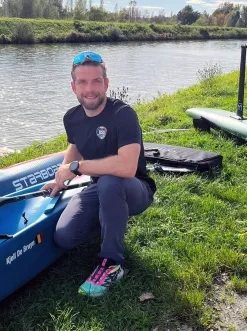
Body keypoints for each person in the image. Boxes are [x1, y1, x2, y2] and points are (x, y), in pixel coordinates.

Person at [41, 51, 156, 297]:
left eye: (96, 81)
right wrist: (60, 178)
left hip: (134, 188)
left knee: (111, 182)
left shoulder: (123, 114)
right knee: (65, 237)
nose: (89, 88)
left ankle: (111, 264)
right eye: (82, 82)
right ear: (73, 86)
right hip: (102, 188)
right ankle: (111, 221)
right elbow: (76, 147)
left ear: (106, 83)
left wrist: (77, 168)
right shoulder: (71, 118)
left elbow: (126, 167)